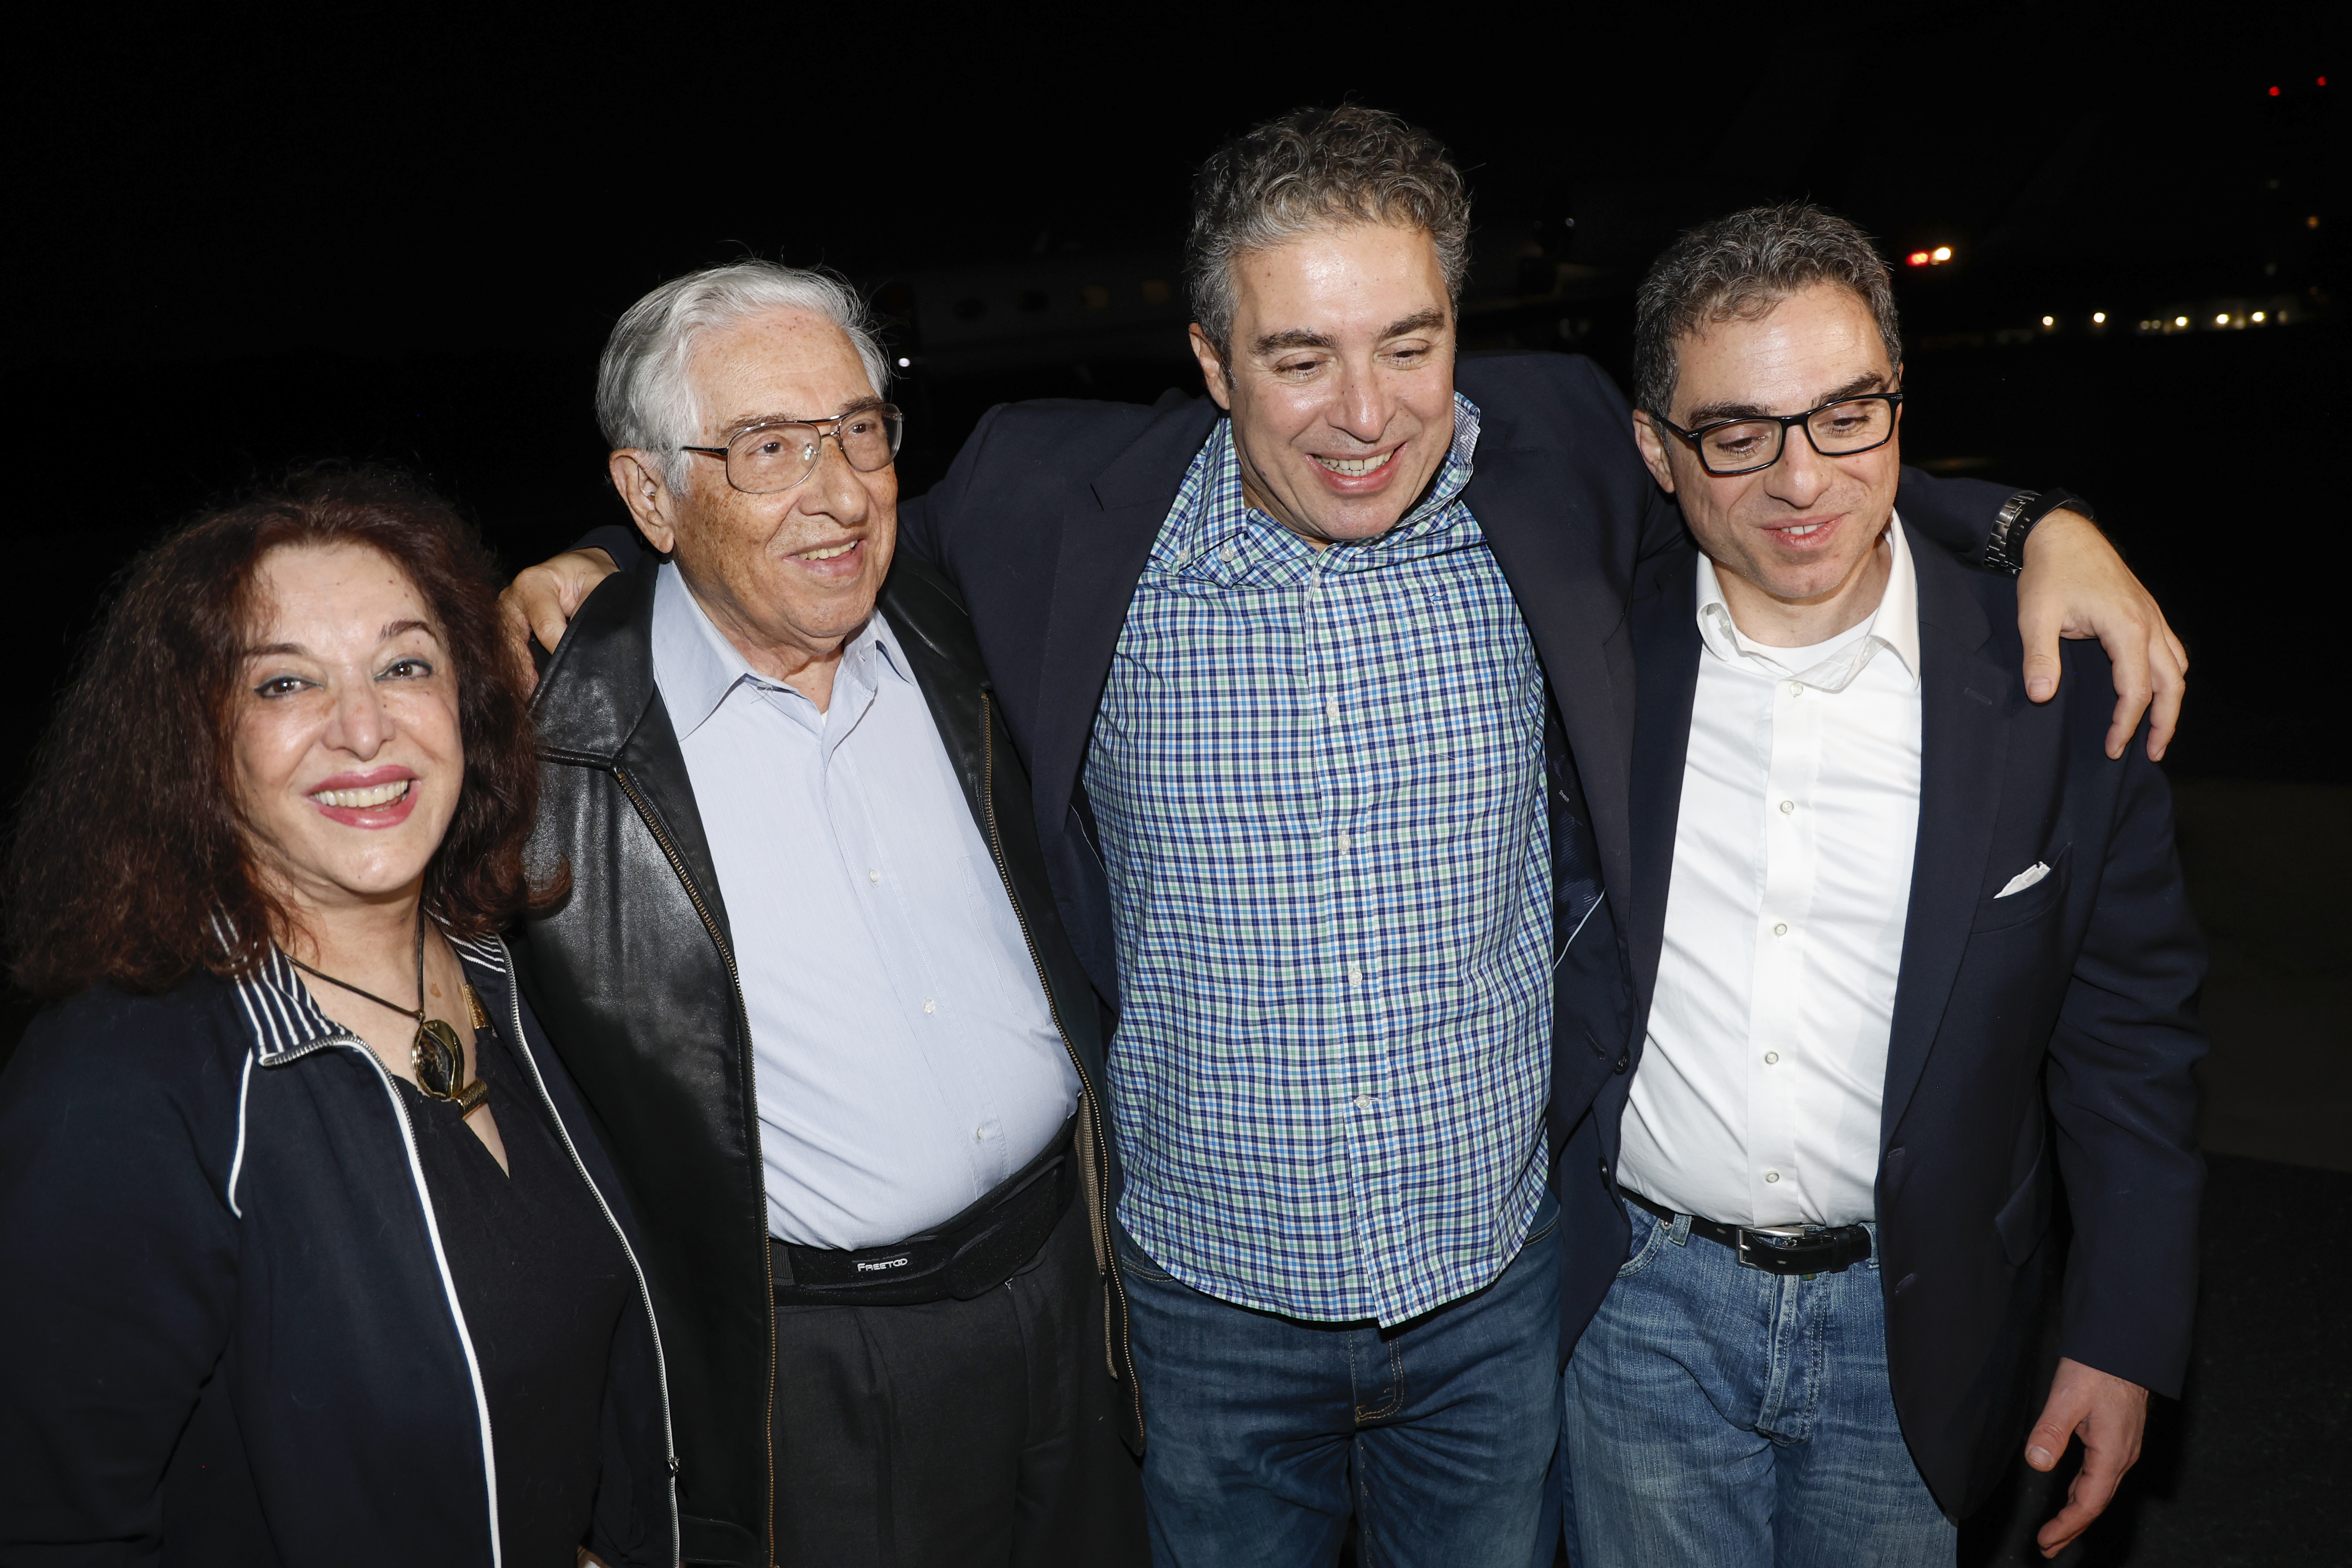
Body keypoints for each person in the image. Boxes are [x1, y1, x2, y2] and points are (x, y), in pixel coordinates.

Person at [505, 108, 2187, 1568]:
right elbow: (815, 526)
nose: (1364, 412)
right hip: (1201, 1310)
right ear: (1209, 360)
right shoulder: (1052, 511)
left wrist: (2033, 522)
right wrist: (611, 561)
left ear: (1462, 332)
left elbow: (1777, 468)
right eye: (1298, 357)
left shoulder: (1550, 467)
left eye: (1407, 343)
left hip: (1497, 1300)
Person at [1550, 203, 2205, 1567]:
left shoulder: (2062, 685)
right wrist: (2037, 514)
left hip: (1921, 1320)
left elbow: (2132, 1039)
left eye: (1849, 416)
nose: (1804, 480)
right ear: (1656, 450)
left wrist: (2122, 1331)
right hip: (1641, 1308)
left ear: (1900, 404)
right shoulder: (1589, 647)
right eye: (1739, 434)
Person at [512, 262, 1144, 1568]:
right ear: (651, 495)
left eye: (860, 430)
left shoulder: (962, 622)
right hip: (819, 1373)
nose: (842, 491)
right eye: (768, 447)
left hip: (1077, 1288)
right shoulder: (553, 752)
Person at [0, 470, 676, 1566]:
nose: (364, 729)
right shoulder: (123, 1088)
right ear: (193, 743)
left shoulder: (518, 978)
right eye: (284, 684)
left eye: (405, 666)